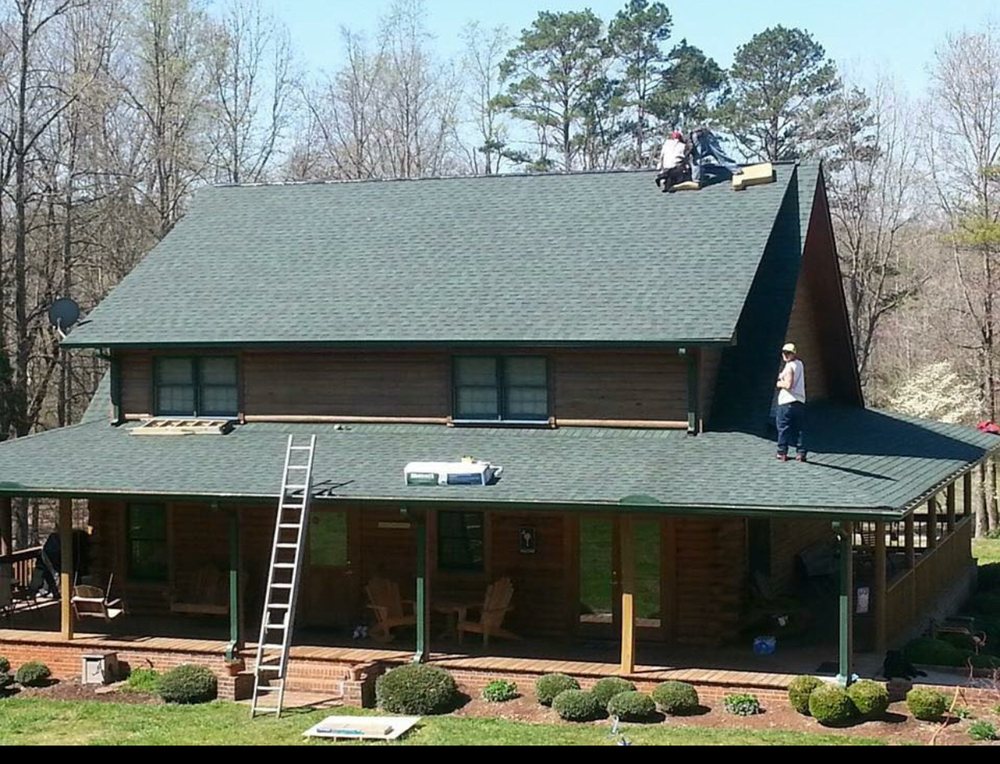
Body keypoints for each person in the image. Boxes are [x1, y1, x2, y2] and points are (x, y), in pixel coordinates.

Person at [775, 342, 807, 462]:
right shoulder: (799, 364)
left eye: (788, 353)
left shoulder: (789, 367)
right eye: (784, 352)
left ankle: (782, 452)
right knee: (799, 428)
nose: (785, 355)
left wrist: (778, 383)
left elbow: (789, 385)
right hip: (799, 401)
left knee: (783, 427)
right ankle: (801, 453)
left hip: (787, 401)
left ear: (793, 354)